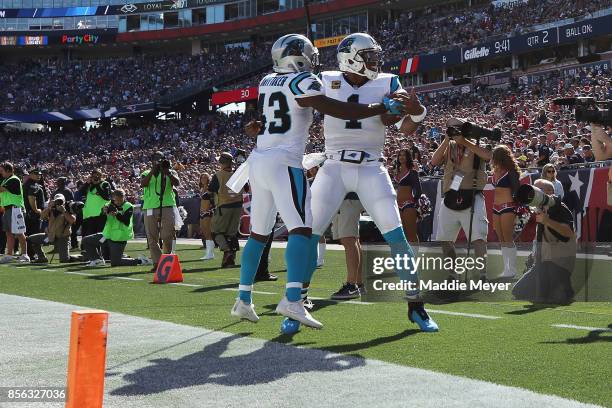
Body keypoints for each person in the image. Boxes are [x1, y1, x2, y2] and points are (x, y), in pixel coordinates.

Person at [230, 33, 407, 330]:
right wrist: (380, 108)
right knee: (301, 229)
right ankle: (293, 300)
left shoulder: (266, 81)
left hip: (258, 160)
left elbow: (259, 121)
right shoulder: (303, 80)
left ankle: (243, 299)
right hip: (284, 161)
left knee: (259, 234)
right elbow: (338, 110)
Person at [305, 33, 437, 332]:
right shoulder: (325, 79)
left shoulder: (389, 82)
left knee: (397, 236)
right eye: (369, 56)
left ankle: (416, 306)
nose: (376, 62)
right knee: (309, 234)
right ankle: (297, 300)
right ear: (350, 58)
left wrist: (418, 112)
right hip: (334, 165)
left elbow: (405, 128)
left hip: (370, 166)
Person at [430, 118, 492, 283]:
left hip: (472, 195)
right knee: (444, 238)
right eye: (451, 128)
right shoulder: (448, 146)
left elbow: (487, 155)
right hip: (450, 196)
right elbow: (434, 161)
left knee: (478, 238)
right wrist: (446, 139)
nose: (453, 131)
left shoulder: (475, 144)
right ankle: (452, 273)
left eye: (456, 128)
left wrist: (464, 141)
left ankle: (481, 274)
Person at [512, 179, 576, 304]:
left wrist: (547, 221)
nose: (532, 193)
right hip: (541, 263)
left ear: (549, 192)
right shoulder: (538, 209)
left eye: (536, 190)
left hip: (558, 263)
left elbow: (568, 232)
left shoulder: (559, 207)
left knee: (554, 296)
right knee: (518, 291)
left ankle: (562, 287)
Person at [82, 189, 151, 267]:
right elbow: (101, 218)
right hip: (106, 235)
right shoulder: (108, 204)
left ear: (124, 197)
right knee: (86, 241)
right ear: (113, 198)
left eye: (120, 200)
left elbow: (126, 221)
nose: (118, 202)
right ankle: (97, 260)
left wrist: (117, 214)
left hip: (119, 237)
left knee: (115, 262)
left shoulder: (129, 206)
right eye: (116, 200)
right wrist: (103, 211)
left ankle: (140, 261)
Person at [141, 152, 180, 270]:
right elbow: (143, 184)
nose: (158, 161)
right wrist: (153, 171)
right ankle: (157, 263)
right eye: (156, 159)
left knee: (168, 234)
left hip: (167, 205)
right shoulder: (146, 173)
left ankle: (166, 260)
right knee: (152, 236)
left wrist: (167, 172)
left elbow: (177, 183)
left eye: (160, 159)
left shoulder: (170, 172)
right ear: (152, 161)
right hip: (150, 207)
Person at [491, 145, 521, 279]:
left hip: (508, 206)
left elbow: (516, 190)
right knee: (501, 239)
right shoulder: (495, 170)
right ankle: (506, 268)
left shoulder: (511, 171)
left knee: (507, 238)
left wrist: (517, 210)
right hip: (496, 207)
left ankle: (512, 269)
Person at [208, 153, 243, 268]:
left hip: (224, 206)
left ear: (221, 163)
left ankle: (227, 250)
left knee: (216, 232)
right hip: (237, 206)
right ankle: (230, 260)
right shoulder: (237, 174)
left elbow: (211, 190)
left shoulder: (218, 175)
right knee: (231, 234)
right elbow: (246, 187)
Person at [330, 193, 365, 300]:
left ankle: (352, 285)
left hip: (348, 199)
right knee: (352, 239)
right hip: (346, 199)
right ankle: (358, 284)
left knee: (349, 239)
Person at [27, 194, 81, 264]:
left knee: (64, 260)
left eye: (60, 201)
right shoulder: (51, 209)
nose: (58, 203)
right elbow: (42, 217)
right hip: (50, 236)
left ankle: (80, 257)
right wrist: (49, 208)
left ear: (64, 201)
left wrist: (64, 211)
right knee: (31, 239)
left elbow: (72, 220)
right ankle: (41, 257)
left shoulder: (69, 208)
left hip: (63, 238)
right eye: (57, 201)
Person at [0, 162, 29, 263]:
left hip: (15, 209)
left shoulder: (14, 179)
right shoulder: (5, 180)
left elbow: (1, 190)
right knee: (8, 233)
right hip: (8, 209)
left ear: (8, 170)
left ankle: (25, 255)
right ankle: (9, 255)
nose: (1, 172)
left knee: (19, 232)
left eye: (2, 170)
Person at [394, 149, 422, 243]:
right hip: (397, 205)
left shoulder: (412, 172)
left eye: (404, 155)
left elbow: (418, 191)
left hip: (408, 205)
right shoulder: (396, 172)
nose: (401, 157)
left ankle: (415, 257)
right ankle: (405, 256)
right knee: (402, 236)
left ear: (408, 157)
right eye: (400, 155)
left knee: (411, 235)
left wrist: (412, 203)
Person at [80, 169, 111, 236]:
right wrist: (87, 183)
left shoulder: (105, 184)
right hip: (89, 216)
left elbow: (107, 197)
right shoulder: (89, 185)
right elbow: (81, 192)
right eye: (93, 176)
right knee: (89, 237)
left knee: (100, 237)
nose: (96, 177)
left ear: (101, 176)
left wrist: (97, 185)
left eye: (98, 176)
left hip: (101, 215)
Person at [23, 168, 46, 259]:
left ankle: (29, 254)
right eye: (36, 174)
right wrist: (36, 210)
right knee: (35, 235)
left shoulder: (26, 184)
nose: (38, 176)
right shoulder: (33, 185)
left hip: (27, 213)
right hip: (33, 215)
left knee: (28, 234)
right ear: (30, 174)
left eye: (39, 174)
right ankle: (33, 254)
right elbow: (31, 197)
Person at [198, 173, 215, 260]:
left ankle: (210, 254)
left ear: (208, 179)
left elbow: (213, 200)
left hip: (208, 212)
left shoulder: (210, 188)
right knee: (204, 232)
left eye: (205, 177)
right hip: (202, 213)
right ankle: (209, 253)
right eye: (202, 177)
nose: (203, 179)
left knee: (208, 233)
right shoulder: (201, 188)